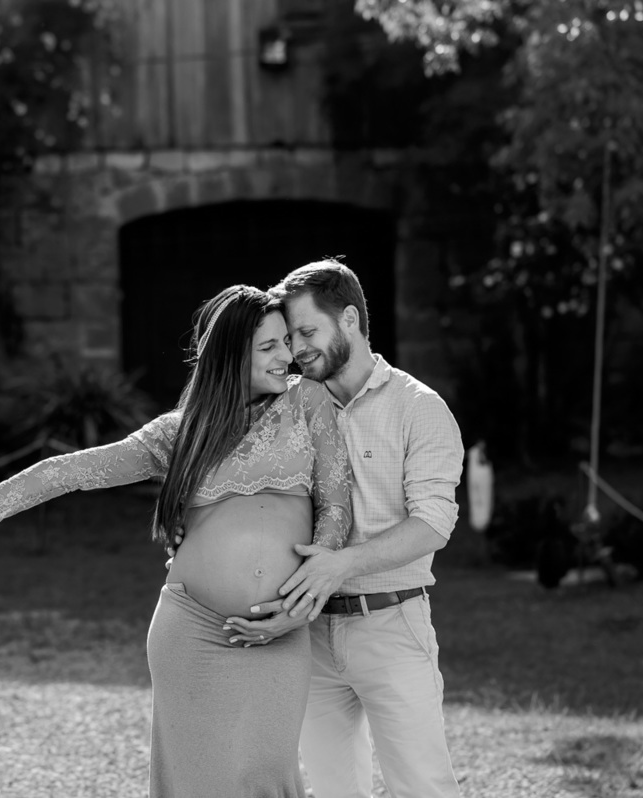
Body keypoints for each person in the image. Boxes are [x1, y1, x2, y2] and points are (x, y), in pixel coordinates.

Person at [0, 285, 353, 798]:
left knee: (266, 777)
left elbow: (335, 506)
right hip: (192, 631)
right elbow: (67, 472)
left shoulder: (308, 401)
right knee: (195, 784)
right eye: (268, 346)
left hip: (280, 630)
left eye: (285, 342)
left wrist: (306, 603)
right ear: (231, 355)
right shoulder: (180, 432)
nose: (287, 356)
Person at [179, 260, 464, 798]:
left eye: (308, 333)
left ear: (350, 319)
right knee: (332, 790)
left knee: (423, 786)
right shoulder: (280, 405)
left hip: (390, 622)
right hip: (306, 634)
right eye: (289, 338)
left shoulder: (419, 408)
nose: (295, 351)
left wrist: (341, 564)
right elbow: (227, 478)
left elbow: (433, 523)